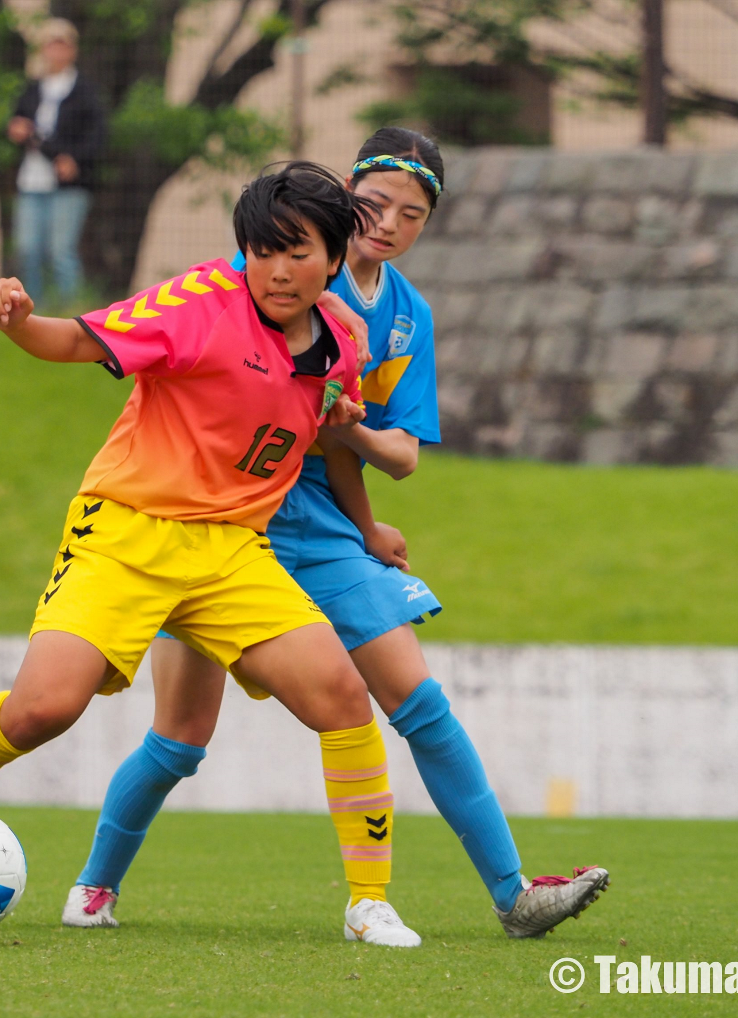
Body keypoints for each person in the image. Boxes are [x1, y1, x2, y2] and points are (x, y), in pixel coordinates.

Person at [0, 162, 426, 947]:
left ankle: (369, 902)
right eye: (262, 250)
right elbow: (79, 341)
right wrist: (19, 319)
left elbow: (329, 431)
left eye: (297, 251)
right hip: (126, 531)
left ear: (334, 258)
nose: (276, 269)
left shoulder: (344, 340)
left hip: (231, 551)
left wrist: (365, 528)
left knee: (340, 695)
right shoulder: (200, 303)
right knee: (43, 709)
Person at [61, 129, 611, 939]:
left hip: (319, 536)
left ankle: (510, 893)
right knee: (179, 739)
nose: (388, 223)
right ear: (344, 194)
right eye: (375, 203)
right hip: (218, 531)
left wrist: (360, 501)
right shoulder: (275, 279)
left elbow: (398, 454)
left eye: (412, 214)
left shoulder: (406, 316)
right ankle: (94, 889)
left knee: (418, 704)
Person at [7, 18, 106, 304]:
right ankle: (31, 309)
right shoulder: (33, 89)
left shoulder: (84, 91)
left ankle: (72, 310)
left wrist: (74, 160)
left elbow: (97, 135)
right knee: (28, 249)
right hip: (31, 180)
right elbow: (16, 123)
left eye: (61, 45)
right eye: (50, 45)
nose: (55, 52)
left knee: (62, 249)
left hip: (68, 183)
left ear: (72, 50)